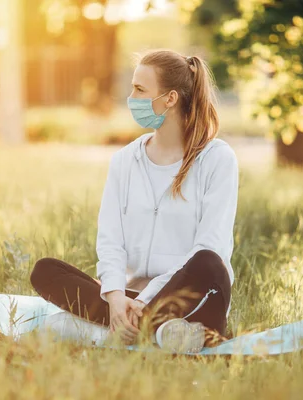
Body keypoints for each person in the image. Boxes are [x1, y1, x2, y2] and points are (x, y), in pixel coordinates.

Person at [30, 49, 239, 353]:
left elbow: (211, 246)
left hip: (194, 294)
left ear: (170, 99)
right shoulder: (125, 161)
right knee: (45, 271)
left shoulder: (217, 159)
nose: (131, 97)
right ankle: (163, 334)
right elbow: (111, 240)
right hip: (132, 296)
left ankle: (109, 332)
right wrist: (115, 297)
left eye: (140, 89)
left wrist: (143, 302)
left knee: (208, 260)